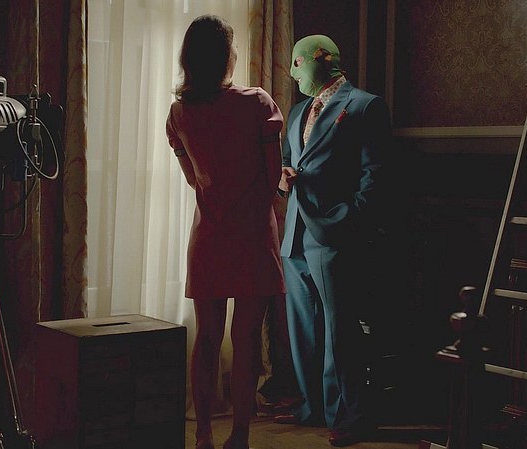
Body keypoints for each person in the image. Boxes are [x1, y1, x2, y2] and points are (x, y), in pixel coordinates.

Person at [165, 14, 286, 449]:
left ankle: (202, 435)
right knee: (246, 338)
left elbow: (193, 179)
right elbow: (272, 176)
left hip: (210, 236)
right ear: (226, 57)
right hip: (252, 235)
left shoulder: (179, 113)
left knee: (207, 338)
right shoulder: (257, 104)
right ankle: (239, 434)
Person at [273, 34, 393, 447]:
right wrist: (282, 179)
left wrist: (349, 219)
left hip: (335, 234)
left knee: (341, 331)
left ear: (320, 60)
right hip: (295, 235)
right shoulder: (297, 111)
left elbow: (376, 174)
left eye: (296, 63)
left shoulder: (365, 106)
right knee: (304, 328)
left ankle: (350, 415)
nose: (292, 73)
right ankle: (315, 407)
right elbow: (287, 162)